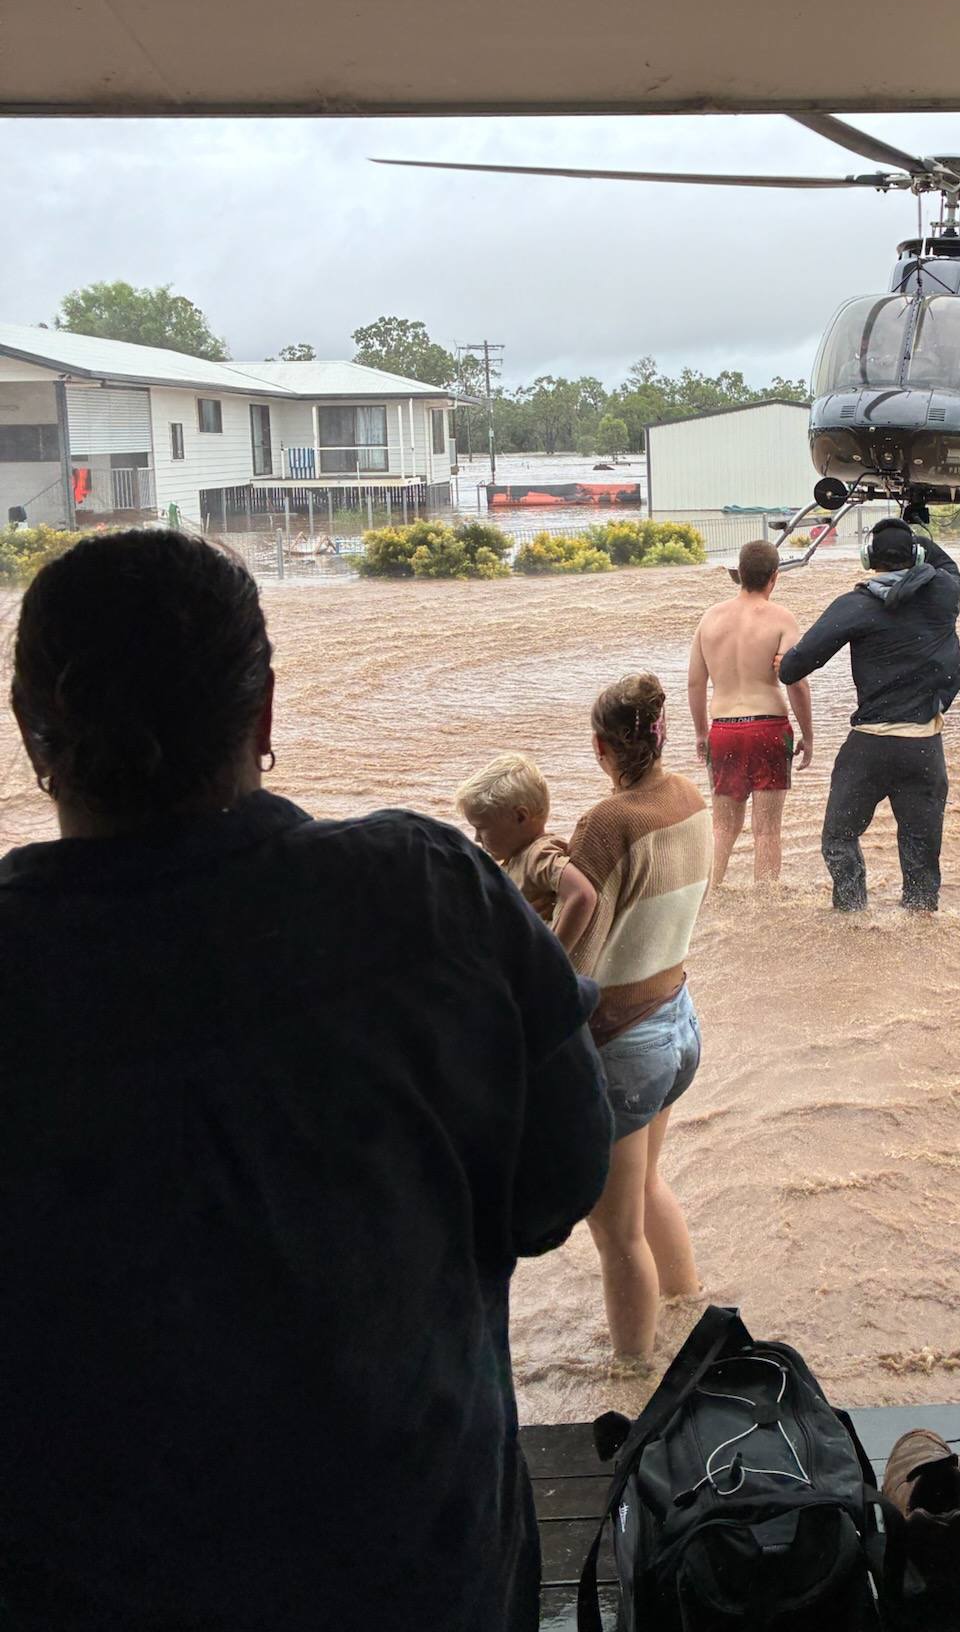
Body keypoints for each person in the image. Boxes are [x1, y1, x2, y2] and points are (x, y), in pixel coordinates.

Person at [0, 530, 612, 1632]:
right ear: (265, 714)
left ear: (30, 733)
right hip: (416, 1570)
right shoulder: (427, 894)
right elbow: (561, 1181)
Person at [566, 673, 711, 1360]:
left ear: (600, 746)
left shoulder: (605, 823)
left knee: (615, 1232)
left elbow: (577, 956)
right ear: (660, 734)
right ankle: (689, 1317)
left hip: (624, 1046)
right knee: (650, 1186)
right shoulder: (687, 796)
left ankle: (632, 1377)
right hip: (678, 1023)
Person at [779, 512, 960, 914]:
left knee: (838, 837)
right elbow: (948, 567)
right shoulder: (944, 594)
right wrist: (917, 533)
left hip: (869, 749)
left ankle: (853, 918)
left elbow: (793, 669)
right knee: (922, 851)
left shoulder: (854, 606)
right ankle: (917, 928)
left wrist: (785, 659)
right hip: (924, 750)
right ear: (916, 556)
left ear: (868, 559)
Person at [687, 539, 813, 884]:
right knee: (767, 831)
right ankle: (766, 910)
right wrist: (808, 736)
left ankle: (708, 897)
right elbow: (796, 682)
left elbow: (695, 684)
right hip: (769, 728)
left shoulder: (710, 619)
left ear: (739, 574)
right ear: (775, 577)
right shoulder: (782, 619)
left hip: (724, 729)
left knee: (723, 827)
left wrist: (701, 733)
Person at [456, 748, 598, 951]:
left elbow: (583, 895)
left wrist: (554, 957)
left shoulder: (538, 854)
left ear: (520, 817)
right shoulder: (517, 857)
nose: (477, 838)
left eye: (482, 828)